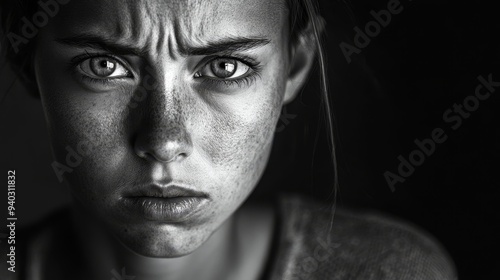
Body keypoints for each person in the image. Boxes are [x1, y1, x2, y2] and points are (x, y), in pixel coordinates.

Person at [0, 0, 457, 279]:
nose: (164, 142)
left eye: (225, 67)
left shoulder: (386, 272)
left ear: (294, 66)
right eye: (103, 67)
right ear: (26, 63)